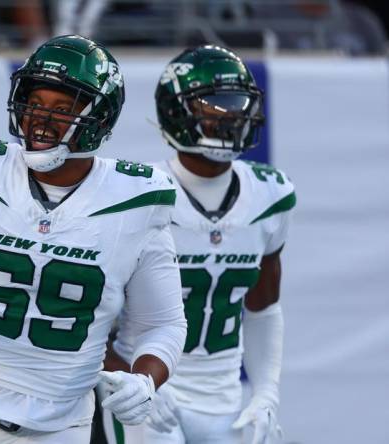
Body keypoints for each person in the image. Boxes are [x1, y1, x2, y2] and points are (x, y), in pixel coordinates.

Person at [0, 35, 187, 443]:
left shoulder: (137, 199)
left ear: (99, 118)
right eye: (35, 101)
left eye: (61, 108)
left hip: (58, 425)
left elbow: (164, 323)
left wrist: (145, 379)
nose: (39, 117)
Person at [100, 45, 293, 444]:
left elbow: (263, 310)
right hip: (140, 394)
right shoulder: (138, 192)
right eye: (213, 106)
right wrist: (134, 378)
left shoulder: (269, 194)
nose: (230, 117)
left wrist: (265, 392)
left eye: (238, 105)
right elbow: (86, 313)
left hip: (224, 399)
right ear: (177, 112)